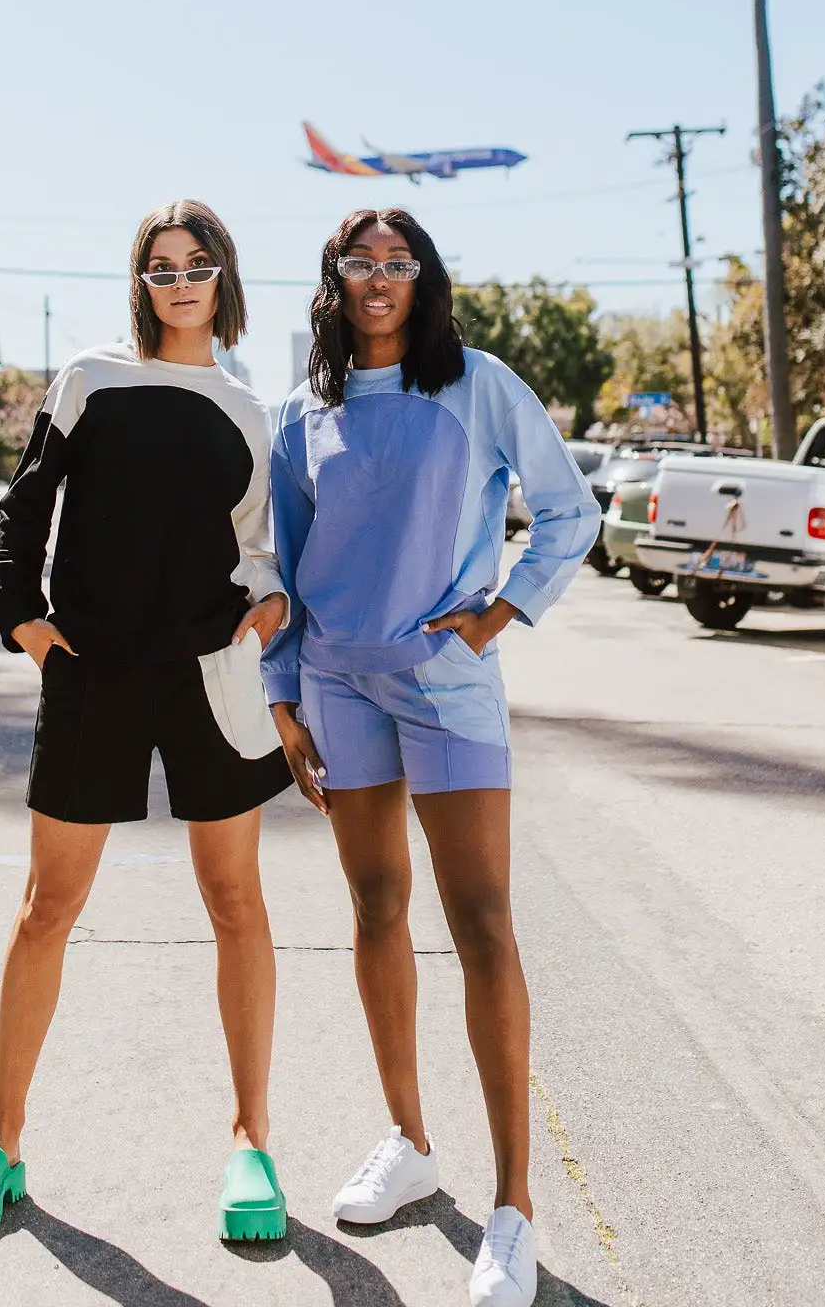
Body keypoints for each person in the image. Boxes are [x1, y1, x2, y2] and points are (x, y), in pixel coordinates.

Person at [0, 200, 293, 1244]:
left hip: (206, 676)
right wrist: (26, 622)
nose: (180, 281)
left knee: (236, 902)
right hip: (92, 673)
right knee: (48, 905)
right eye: (161, 267)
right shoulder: (90, 380)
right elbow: (22, 512)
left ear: (224, 275)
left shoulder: (244, 408)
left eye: (197, 263)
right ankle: (0, 1138)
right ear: (140, 283)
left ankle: (250, 1141)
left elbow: (255, 545)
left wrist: (265, 603)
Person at [262, 208, 599, 1307]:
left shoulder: (478, 383)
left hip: (446, 685)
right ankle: (410, 1140)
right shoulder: (303, 412)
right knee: (373, 909)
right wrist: (284, 696)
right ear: (334, 278)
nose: (379, 277)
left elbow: (569, 513)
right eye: (360, 261)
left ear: (425, 277)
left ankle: (513, 1208)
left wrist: (499, 616)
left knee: (484, 924)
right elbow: (290, 566)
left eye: (398, 262)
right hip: (341, 684)